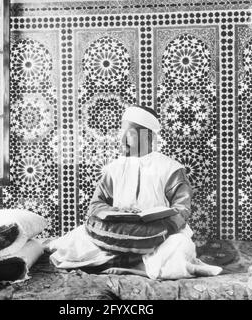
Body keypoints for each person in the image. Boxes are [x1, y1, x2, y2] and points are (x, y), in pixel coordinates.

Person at [48, 106, 222, 280]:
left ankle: (122, 264)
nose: (122, 140)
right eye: (122, 133)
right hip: (116, 234)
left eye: (130, 134)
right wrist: (118, 213)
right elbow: (95, 204)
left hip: (157, 235)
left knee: (180, 245)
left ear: (149, 137)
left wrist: (160, 228)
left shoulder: (171, 169)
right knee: (75, 240)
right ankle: (142, 266)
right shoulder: (113, 169)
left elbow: (182, 209)